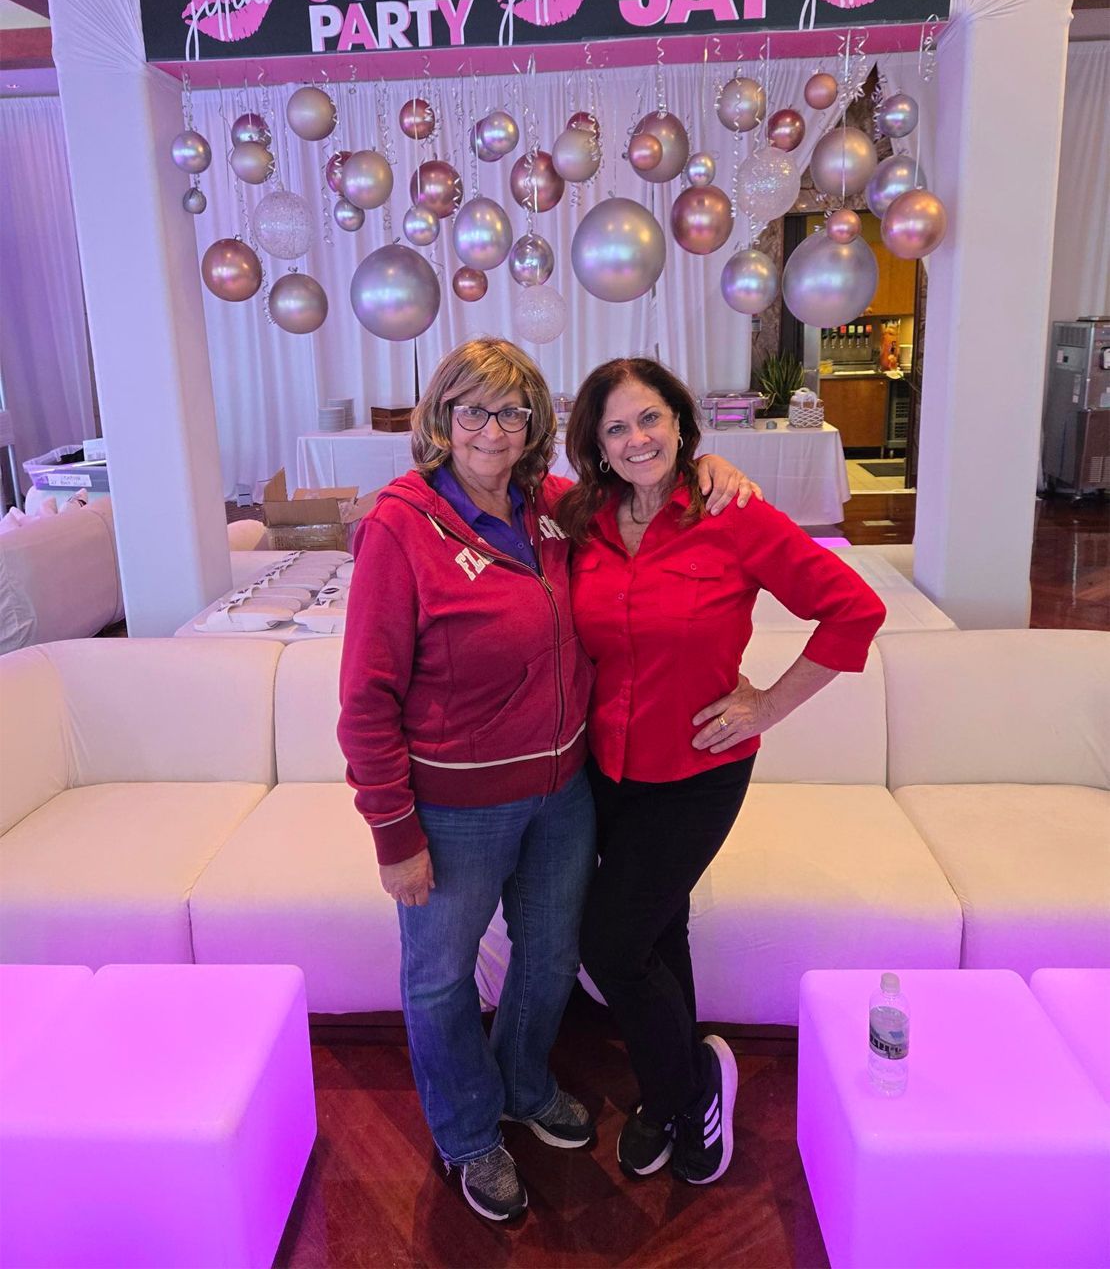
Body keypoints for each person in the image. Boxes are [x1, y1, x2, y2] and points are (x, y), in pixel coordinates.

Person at [337, 338, 754, 1224]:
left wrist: (705, 465)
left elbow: (643, 482)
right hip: (453, 810)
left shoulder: (553, 508)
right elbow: (365, 700)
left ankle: (525, 1084)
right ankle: (469, 1131)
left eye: (514, 410)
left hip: (565, 793)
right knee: (442, 979)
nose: (494, 428)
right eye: (474, 409)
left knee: (552, 957)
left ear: (535, 426)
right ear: (442, 419)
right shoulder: (400, 525)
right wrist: (393, 835)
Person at [557, 357, 886, 1189]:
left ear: (680, 421)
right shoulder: (581, 518)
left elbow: (855, 608)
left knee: (609, 940)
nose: (637, 439)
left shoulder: (733, 514)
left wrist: (769, 705)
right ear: (594, 446)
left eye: (651, 419)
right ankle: (668, 1095)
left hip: (698, 770)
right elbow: (484, 486)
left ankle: (690, 1087)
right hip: (607, 770)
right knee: (659, 931)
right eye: (616, 428)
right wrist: (388, 501)